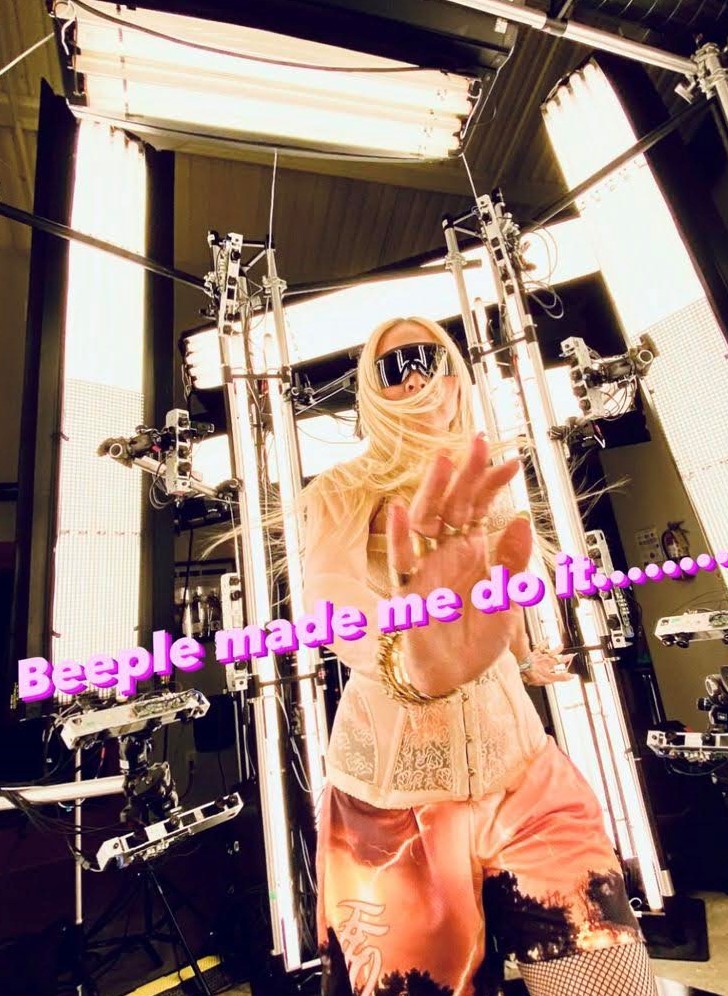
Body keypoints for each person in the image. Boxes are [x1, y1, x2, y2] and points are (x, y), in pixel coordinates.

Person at [300, 316, 657, 996]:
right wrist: (406, 660)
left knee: (610, 978)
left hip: (526, 778)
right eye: (392, 365)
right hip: (391, 816)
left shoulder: (488, 480)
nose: (413, 373)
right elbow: (331, 597)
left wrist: (524, 658)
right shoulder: (339, 490)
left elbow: (501, 597)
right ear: (370, 389)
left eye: (426, 356)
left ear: (455, 373)